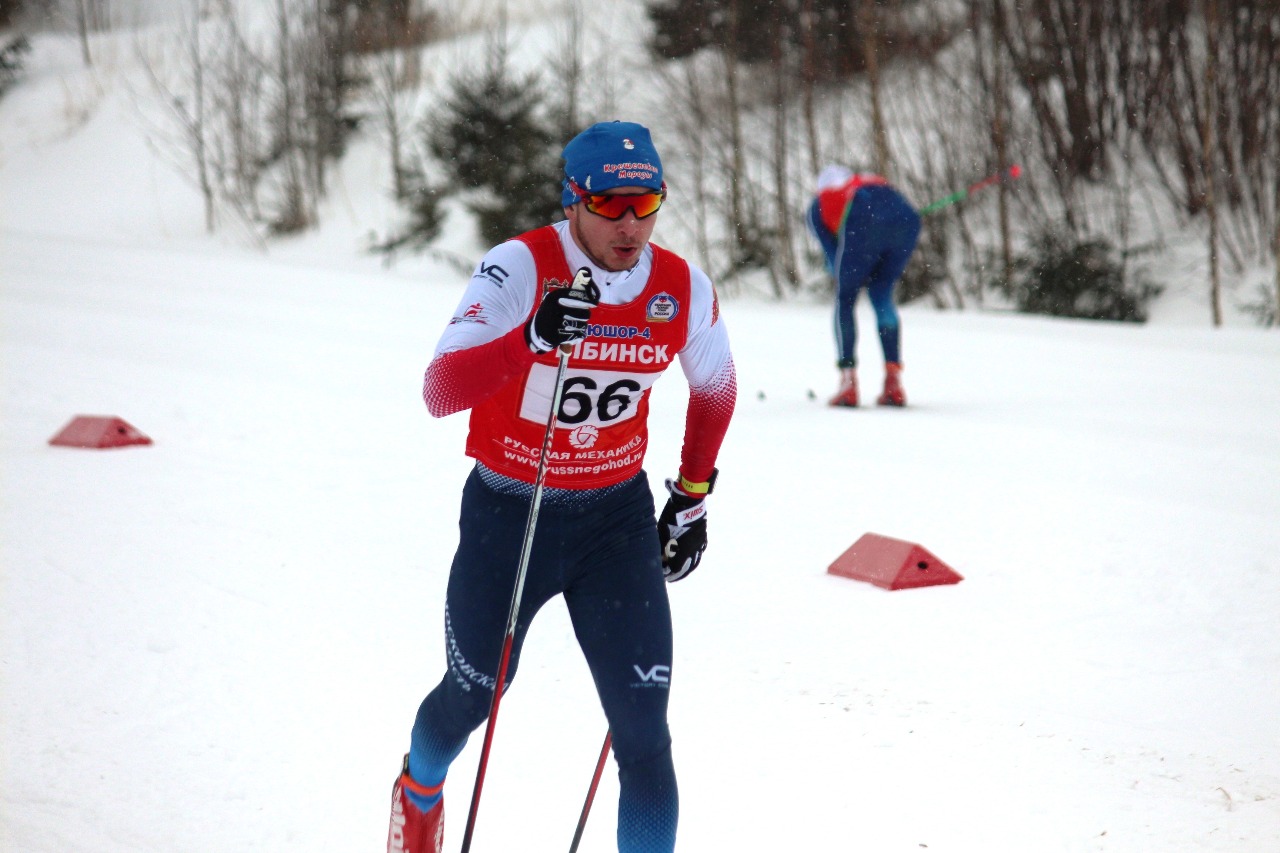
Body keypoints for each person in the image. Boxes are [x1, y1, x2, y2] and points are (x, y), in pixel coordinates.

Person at [387, 121, 737, 853]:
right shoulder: (519, 267)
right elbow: (440, 389)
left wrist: (692, 493)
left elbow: (715, 386)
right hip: (512, 512)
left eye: (647, 204)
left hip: (615, 521)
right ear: (572, 199)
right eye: (610, 204)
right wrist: (531, 339)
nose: (630, 225)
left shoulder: (678, 286)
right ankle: (419, 789)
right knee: (475, 692)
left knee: (644, 733)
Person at [806, 164, 921, 407]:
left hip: (862, 221)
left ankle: (848, 382)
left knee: (845, 300)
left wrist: (849, 271)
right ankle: (893, 382)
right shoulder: (867, 183)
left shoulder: (818, 206)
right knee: (881, 295)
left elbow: (833, 256)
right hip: (906, 219)